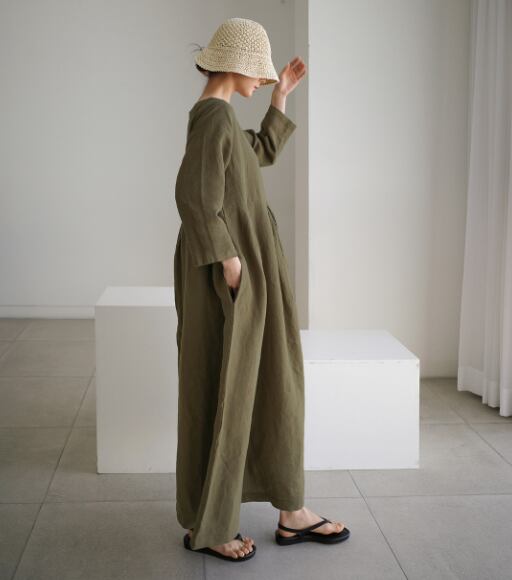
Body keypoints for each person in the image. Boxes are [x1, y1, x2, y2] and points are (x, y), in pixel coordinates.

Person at [173, 17, 350, 563]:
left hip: (245, 270)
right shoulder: (213, 117)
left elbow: (258, 154)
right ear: (236, 65)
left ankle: (287, 510)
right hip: (230, 273)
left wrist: (282, 100)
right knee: (231, 383)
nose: (264, 79)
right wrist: (230, 263)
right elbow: (193, 195)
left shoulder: (221, 118)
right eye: (260, 72)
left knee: (268, 379)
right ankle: (216, 524)